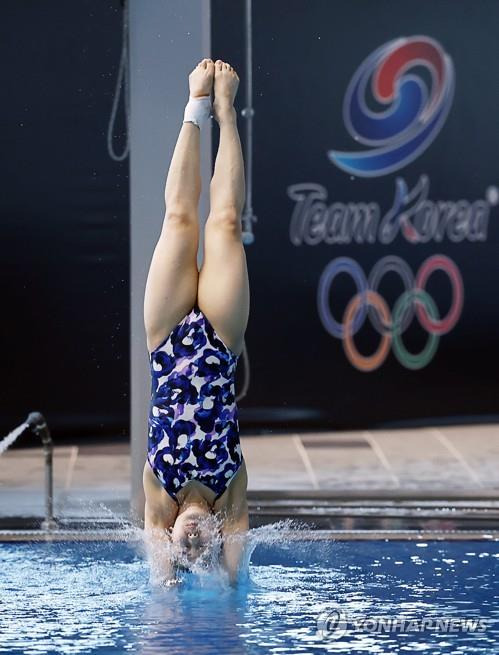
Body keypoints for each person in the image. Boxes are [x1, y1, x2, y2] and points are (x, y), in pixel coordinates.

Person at [142, 59, 250, 586]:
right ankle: (226, 113)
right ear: (215, 531)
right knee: (224, 223)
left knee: (180, 219)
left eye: (179, 547)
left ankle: (195, 107)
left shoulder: (158, 491)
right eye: (200, 543)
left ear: (168, 537)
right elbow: (237, 577)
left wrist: (167, 587)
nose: (190, 540)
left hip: (164, 339)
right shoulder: (229, 487)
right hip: (221, 338)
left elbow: (161, 579)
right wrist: (232, 593)